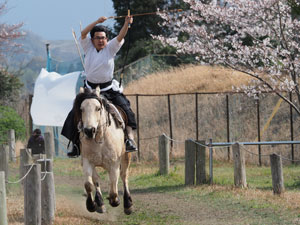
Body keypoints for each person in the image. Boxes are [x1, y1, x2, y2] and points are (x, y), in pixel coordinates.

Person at [61, 15, 137, 157]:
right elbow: (83, 33)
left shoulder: (111, 48)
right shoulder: (87, 47)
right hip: (89, 90)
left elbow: (120, 36)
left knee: (126, 109)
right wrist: (97, 21)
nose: (101, 40)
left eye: (103, 38)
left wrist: (126, 23)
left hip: (109, 90)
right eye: (98, 38)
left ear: (107, 40)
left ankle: (130, 140)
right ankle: (76, 145)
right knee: (75, 113)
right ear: (92, 40)